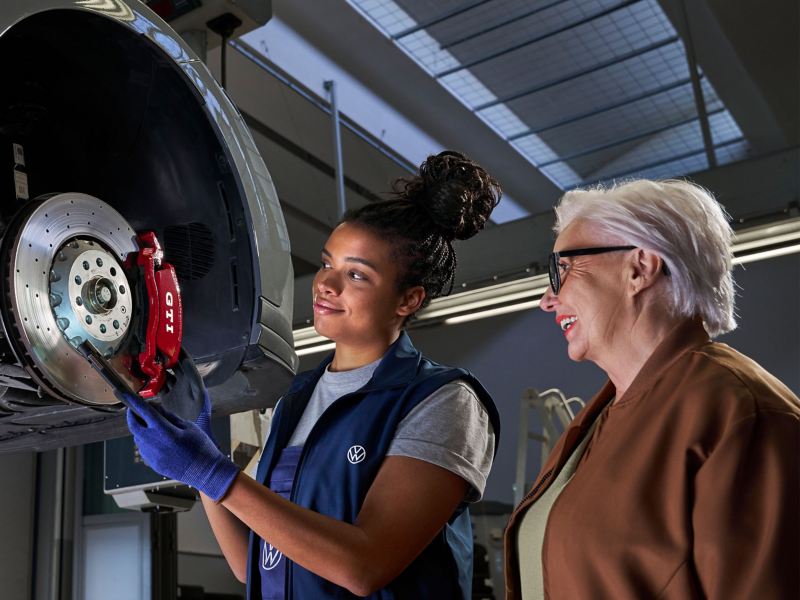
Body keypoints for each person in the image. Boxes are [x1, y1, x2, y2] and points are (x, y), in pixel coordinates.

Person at [121, 151, 503, 599]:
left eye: (357, 275)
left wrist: (210, 471)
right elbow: (252, 565)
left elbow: (364, 565)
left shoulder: (442, 400)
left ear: (408, 300)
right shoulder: (296, 398)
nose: (326, 283)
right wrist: (200, 462)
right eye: (327, 263)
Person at [504, 179, 800, 599]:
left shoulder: (741, 410)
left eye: (562, 269)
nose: (547, 299)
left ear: (639, 268)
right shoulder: (603, 419)